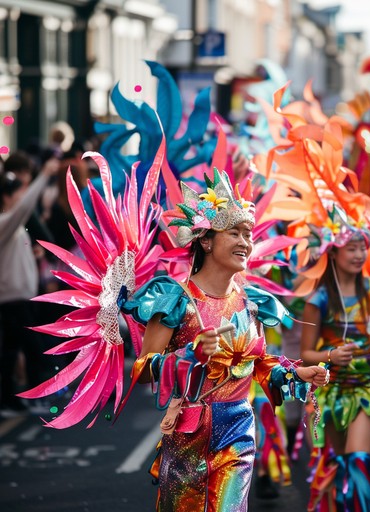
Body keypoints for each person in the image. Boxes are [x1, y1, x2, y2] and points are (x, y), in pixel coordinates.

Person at [122, 169, 329, 512]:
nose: (245, 243)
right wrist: (189, 354)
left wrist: (295, 374)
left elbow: (258, 364)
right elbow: (142, 371)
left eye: (248, 234)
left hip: (237, 430)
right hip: (189, 434)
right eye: (234, 233)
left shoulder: (251, 302)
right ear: (205, 240)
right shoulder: (175, 299)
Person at [299, 209, 370, 511]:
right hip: (331, 390)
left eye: (363, 247)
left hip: (368, 387)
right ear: (332, 253)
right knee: (340, 462)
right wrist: (330, 355)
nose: (360, 255)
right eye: (352, 248)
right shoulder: (317, 300)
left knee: (359, 459)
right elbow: (306, 354)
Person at [0, 157, 59, 415]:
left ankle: (12, 399)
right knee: (32, 348)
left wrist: (32, 253)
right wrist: (43, 174)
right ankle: (31, 396)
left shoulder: (11, 226)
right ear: (6, 197)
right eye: (17, 194)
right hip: (11, 299)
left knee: (11, 353)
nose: (21, 198)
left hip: (21, 296)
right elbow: (24, 208)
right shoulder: (5, 223)